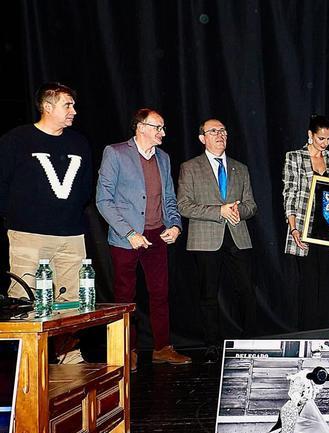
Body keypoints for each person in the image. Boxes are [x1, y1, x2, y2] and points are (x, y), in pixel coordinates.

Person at [96, 108, 190, 365]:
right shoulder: (115, 153)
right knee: (125, 297)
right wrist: (128, 233)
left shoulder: (164, 158)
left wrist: (175, 226)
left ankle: (162, 348)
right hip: (126, 237)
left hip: (157, 235)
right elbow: (103, 200)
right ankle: (128, 351)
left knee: (160, 293)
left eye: (162, 128)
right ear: (141, 127)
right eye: (158, 127)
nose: (163, 133)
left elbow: (169, 198)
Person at [0, 82, 92, 305]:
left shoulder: (79, 142)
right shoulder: (16, 139)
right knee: (25, 303)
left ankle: (69, 343)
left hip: (72, 237)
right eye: (67, 105)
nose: (74, 111)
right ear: (48, 107)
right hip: (28, 235)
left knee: (74, 304)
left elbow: (86, 187)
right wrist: (17, 218)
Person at [178, 119, 257, 363]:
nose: (220, 135)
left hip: (237, 237)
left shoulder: (240, 168)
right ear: (202, 138)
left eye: (223, 130)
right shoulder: (189, 167)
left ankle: (249, 342)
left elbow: (251, 205)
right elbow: (183, 205)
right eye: (213, 131)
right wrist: (219, 211)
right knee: (208, 295)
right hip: (205, 239)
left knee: (246, 292)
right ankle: (212, 345)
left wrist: (237, 211)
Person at [282, 115, 329, 331]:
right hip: (304, 228)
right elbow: (289, 194)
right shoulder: (294, 157)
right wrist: (293, 229)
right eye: (321, 138)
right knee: (309, 286)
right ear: (310, 135)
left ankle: (326, 336)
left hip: (327, 229)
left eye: (328, 139)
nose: (325, 143)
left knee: (326, 285)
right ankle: (308, 336)